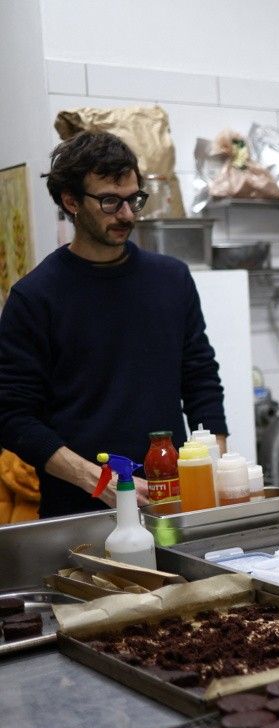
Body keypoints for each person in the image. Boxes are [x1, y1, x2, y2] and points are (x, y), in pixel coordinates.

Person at [0, 131, 228, 518]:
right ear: (71, 201)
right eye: (110, 201)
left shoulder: (171, 279)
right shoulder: (35, 297)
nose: (127, 214)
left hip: (170, 503)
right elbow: (12, 416)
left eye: (134, 199)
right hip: (80, 511)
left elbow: (200, 378)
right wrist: (100, 481)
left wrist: (213, 466)